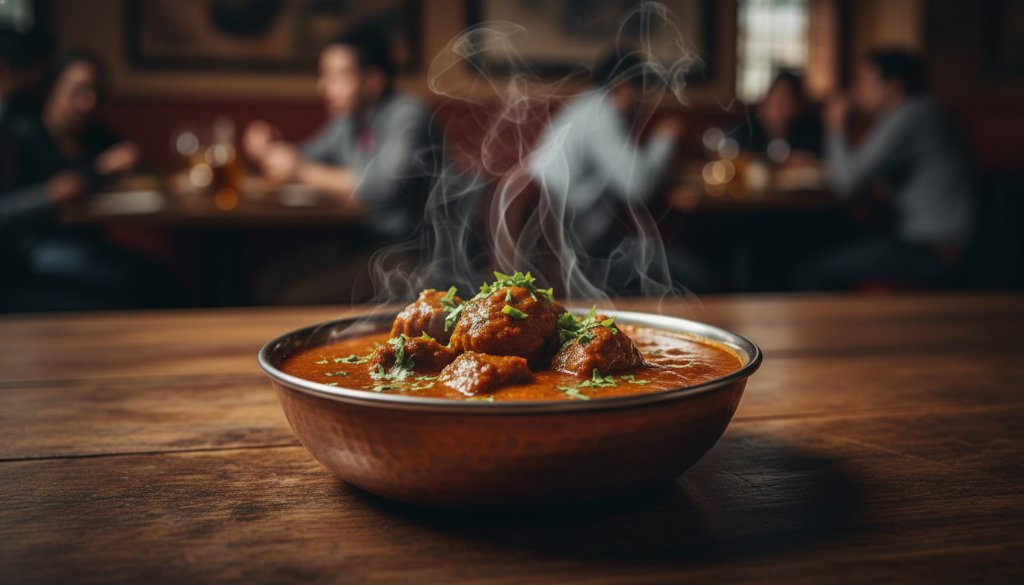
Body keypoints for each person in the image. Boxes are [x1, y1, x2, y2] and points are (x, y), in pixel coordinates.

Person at [244, 27, 437, 304]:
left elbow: (379, 189)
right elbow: (307, 156)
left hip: (413, 255)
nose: (323, 86)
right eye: (324, 75)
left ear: (373, 80)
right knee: (267, 281)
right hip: (364, 244)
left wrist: (297, 169)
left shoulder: (408, 114)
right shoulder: (349, 121)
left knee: (291, 296)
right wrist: (270, 147)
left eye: (338, 76)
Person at [1, 51, 179, 311]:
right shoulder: (23, 134)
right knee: (140, 284)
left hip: (88, 240)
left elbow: (142, 169)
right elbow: (54, 192)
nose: (87, 102)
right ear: (53, 88)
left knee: (162, 278)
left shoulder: (93, 133)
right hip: (32, 248)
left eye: (95, 93)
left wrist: (141, 169)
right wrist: (92, 173)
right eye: (78, 91)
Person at [527, 49, 710, 294]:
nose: (642, 100)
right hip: (581, 253)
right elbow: (638, 187)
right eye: (641, 91)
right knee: (696, 275)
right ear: (625, 88)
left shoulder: (584, 107)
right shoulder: (600, 114)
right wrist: (664, 139)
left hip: (572, 245)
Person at [794, 49, 975, 290]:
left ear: (892, 87)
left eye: (865, 82)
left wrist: (835, 125)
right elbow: (862, 174)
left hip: (932, 249)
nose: (857, 91)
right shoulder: (919, 112)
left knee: (809, 270)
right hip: (926, 241)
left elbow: (847, 183)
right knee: (826, 242)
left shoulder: (913, 115)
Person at [734, 71, 822, 165]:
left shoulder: (809, 131)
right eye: (774, 100)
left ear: (797, 106)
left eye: (785, 101)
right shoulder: (746, 130)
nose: (778, 107)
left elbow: (823, 163)